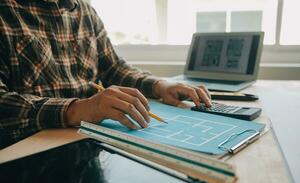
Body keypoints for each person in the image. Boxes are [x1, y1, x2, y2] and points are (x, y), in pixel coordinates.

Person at [0, 0, 211, 149]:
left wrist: (159, 86)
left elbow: (113, 69)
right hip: (31, 148)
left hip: (92, 138)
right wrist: (78, 110)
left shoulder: (85, 12)